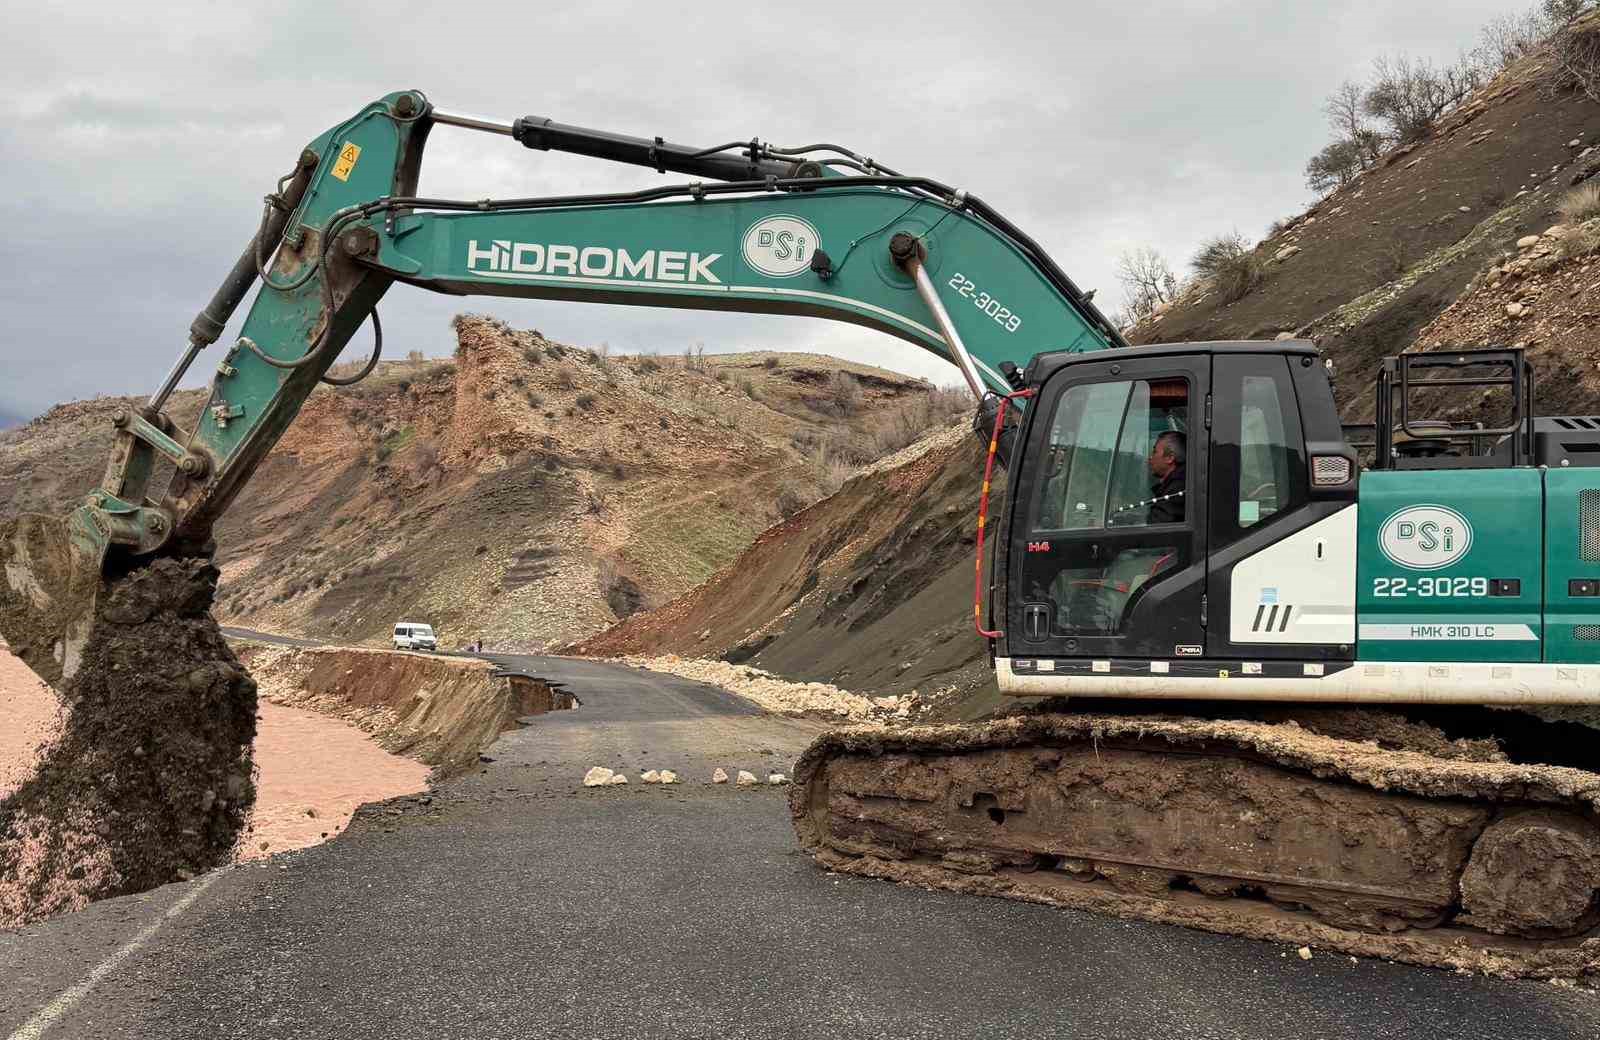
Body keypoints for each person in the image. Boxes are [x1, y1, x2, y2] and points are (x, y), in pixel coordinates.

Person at [1147, 430, 1186, 524]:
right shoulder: (1176, 485)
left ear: (1170, 458)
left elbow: (1156, 525)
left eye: (1154, 452)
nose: (1150, 458)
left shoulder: (1177, 491)